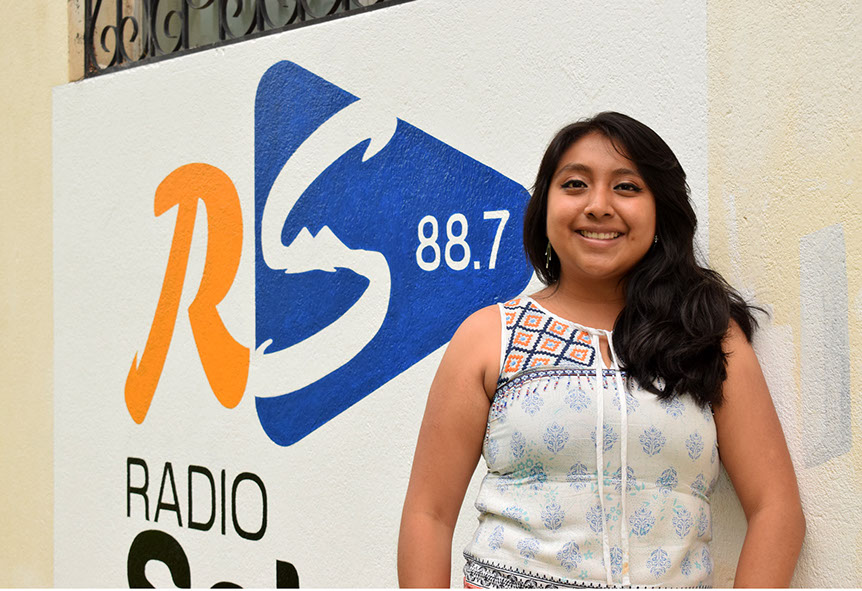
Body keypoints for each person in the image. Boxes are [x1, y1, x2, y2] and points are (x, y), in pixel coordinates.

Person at [397, 112, 805, 588]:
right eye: (575, 184)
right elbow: (428, 514)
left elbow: (777, 509)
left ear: (660, 211)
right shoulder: (490, 336)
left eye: (626, 187)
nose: (598, 206)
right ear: (544, 207)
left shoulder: (708, 336)